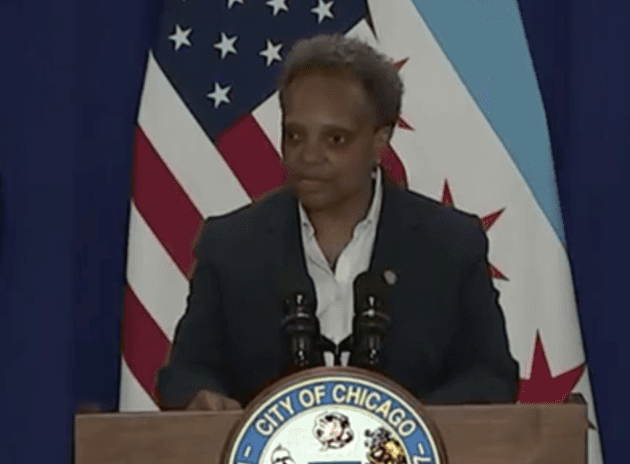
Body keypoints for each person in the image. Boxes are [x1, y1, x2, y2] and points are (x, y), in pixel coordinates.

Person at [156, 33, 518, 411]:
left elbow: (490, 376)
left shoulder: (450, 244)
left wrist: (408, 423)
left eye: (335, 139)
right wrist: (201, 397)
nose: (309, 156)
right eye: (294, 135)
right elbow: (185, 373)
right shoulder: (230, 245)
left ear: (380, 141)